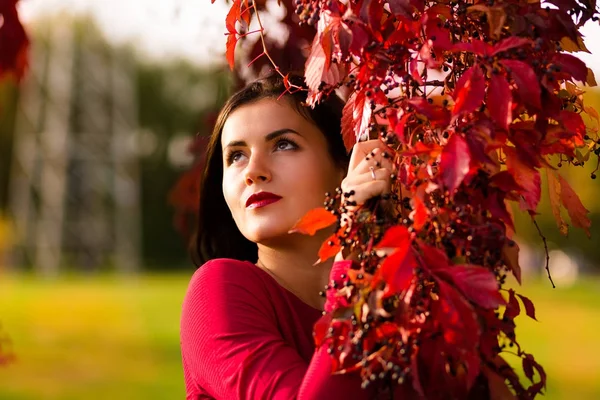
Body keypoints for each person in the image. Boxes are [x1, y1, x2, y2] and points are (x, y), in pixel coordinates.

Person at [180, 73, 395, 399]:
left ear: (346, 167)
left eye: (283, 144)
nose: (253, 171)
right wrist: (354, 260)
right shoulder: (216, 291)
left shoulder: (408, 294)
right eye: (236, 156)